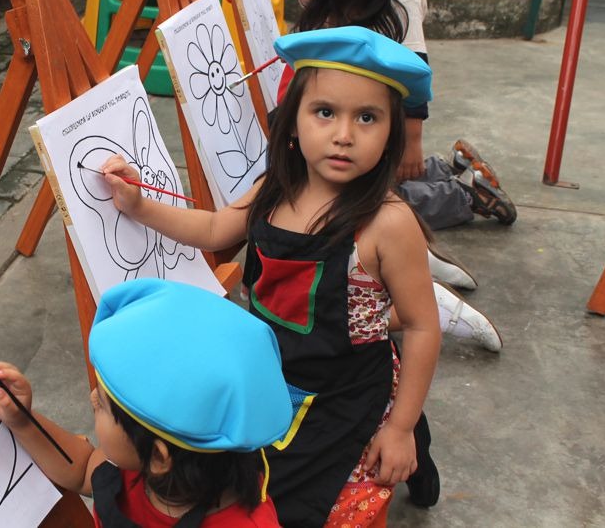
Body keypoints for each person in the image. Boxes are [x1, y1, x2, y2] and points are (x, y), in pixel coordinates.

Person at [102, 27, 442, 526]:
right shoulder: (274, 188)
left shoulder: (388, 223)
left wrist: (401, 427)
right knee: (256, 487)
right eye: (325, 112)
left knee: (327, 504)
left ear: (392, 133)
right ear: (291, 123)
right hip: (269, 378)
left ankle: (415, 456)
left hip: (344, 394)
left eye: (367, 117)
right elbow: (215, 228)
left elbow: (420, 326)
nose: (344, 134)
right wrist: (139, 206)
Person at [280, 0, 503, 356]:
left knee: (341, 296)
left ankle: (428, 301)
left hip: (339, 199)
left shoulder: (348, 53)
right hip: (349, 187)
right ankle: (425, 267)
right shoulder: (361, 31)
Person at [0, 278, 293, 527]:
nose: (92, 399)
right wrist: (23, 421)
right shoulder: (138, 469)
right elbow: (84, 470)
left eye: (103, 405)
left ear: (158, 456)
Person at [334, 0, 518, 231]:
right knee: (377, 175)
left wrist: (412, 142)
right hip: (373, 109)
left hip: (389, 113)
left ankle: (467, 196)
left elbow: (415, 62)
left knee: (363, 201)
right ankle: (447, 169)